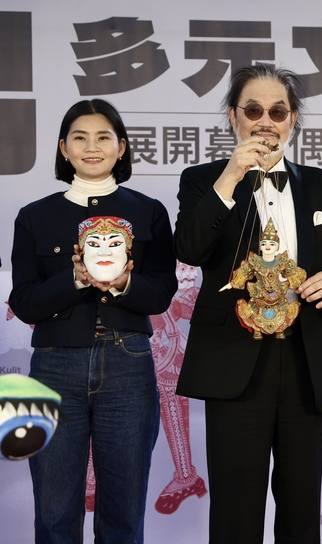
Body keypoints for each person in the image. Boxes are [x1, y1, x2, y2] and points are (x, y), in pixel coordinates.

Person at [174, 65, 322, 544]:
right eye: (253, 110)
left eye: (277, 111)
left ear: (293, 119)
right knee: (236, 511)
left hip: (305, 361)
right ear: (234, 117)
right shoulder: (203, 181)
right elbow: (191, 248)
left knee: (302, 508)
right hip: (235, 364)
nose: (265, 121)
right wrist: (232, 174)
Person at [9, 98, 177, 543]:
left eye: (104, 137)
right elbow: (23, 302)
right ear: (63, 148)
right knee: (53, 510)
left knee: (123, 511)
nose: (92, 147)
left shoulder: (149, 212)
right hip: (53, 367)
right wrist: (76, 279)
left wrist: (123, 284)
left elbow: (161, 293)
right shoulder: (34, 217)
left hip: (127, 363)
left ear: (121, 148)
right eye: (79, 137)